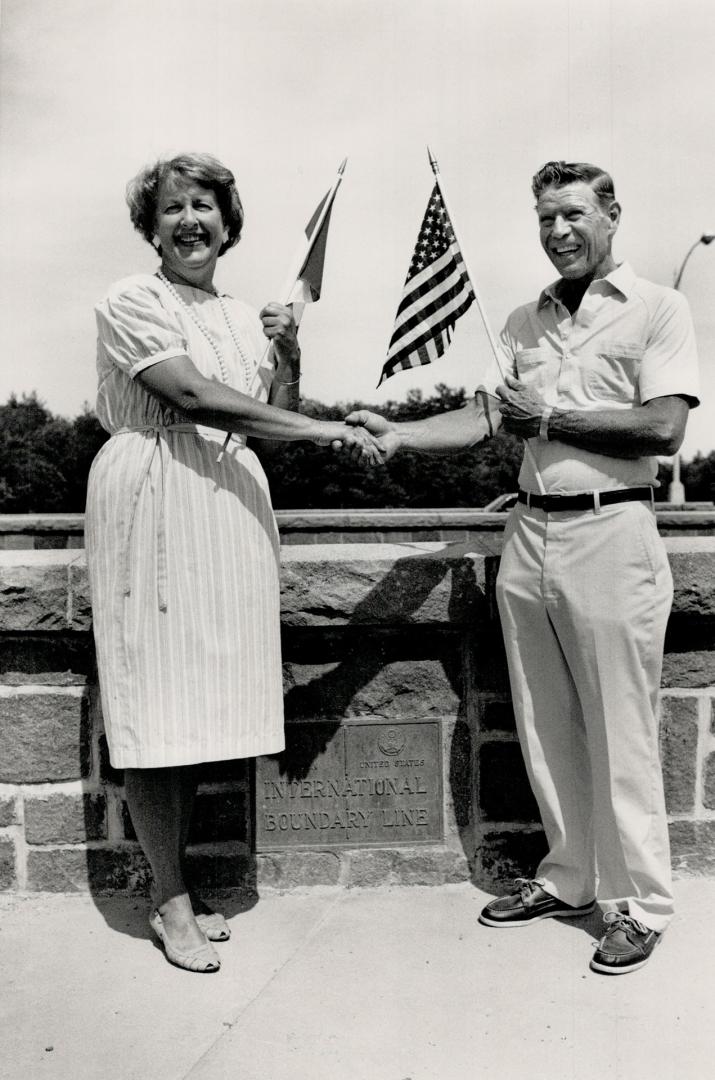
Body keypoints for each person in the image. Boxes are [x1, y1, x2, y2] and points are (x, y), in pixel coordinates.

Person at [346, 160, 700, 975]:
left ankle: (641, 905)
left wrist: (549, 417)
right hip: (530, 538)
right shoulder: (520, 320)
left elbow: (661, 429)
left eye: (573, 214)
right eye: (545, 217)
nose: (557, 231)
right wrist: (400, 435)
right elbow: (481, 416)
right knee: (545, 723)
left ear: (612, 214)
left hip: (612, 535)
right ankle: (569, 877)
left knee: (621, 727)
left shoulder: (657, 307)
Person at [85, 152, 382, 973]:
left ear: (228, 222)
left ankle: (176, 885)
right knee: (154, 699)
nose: (190, 220)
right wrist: (332, 430)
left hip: (225, 506)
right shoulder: (131, 299)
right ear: (151, 225)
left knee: (197, 702)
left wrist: (289, 359)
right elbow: (193, 398)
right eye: (173, 207)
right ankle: (168, 900)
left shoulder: (245, 315)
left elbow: (265, 418)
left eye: (205, 206)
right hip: (154, 493)